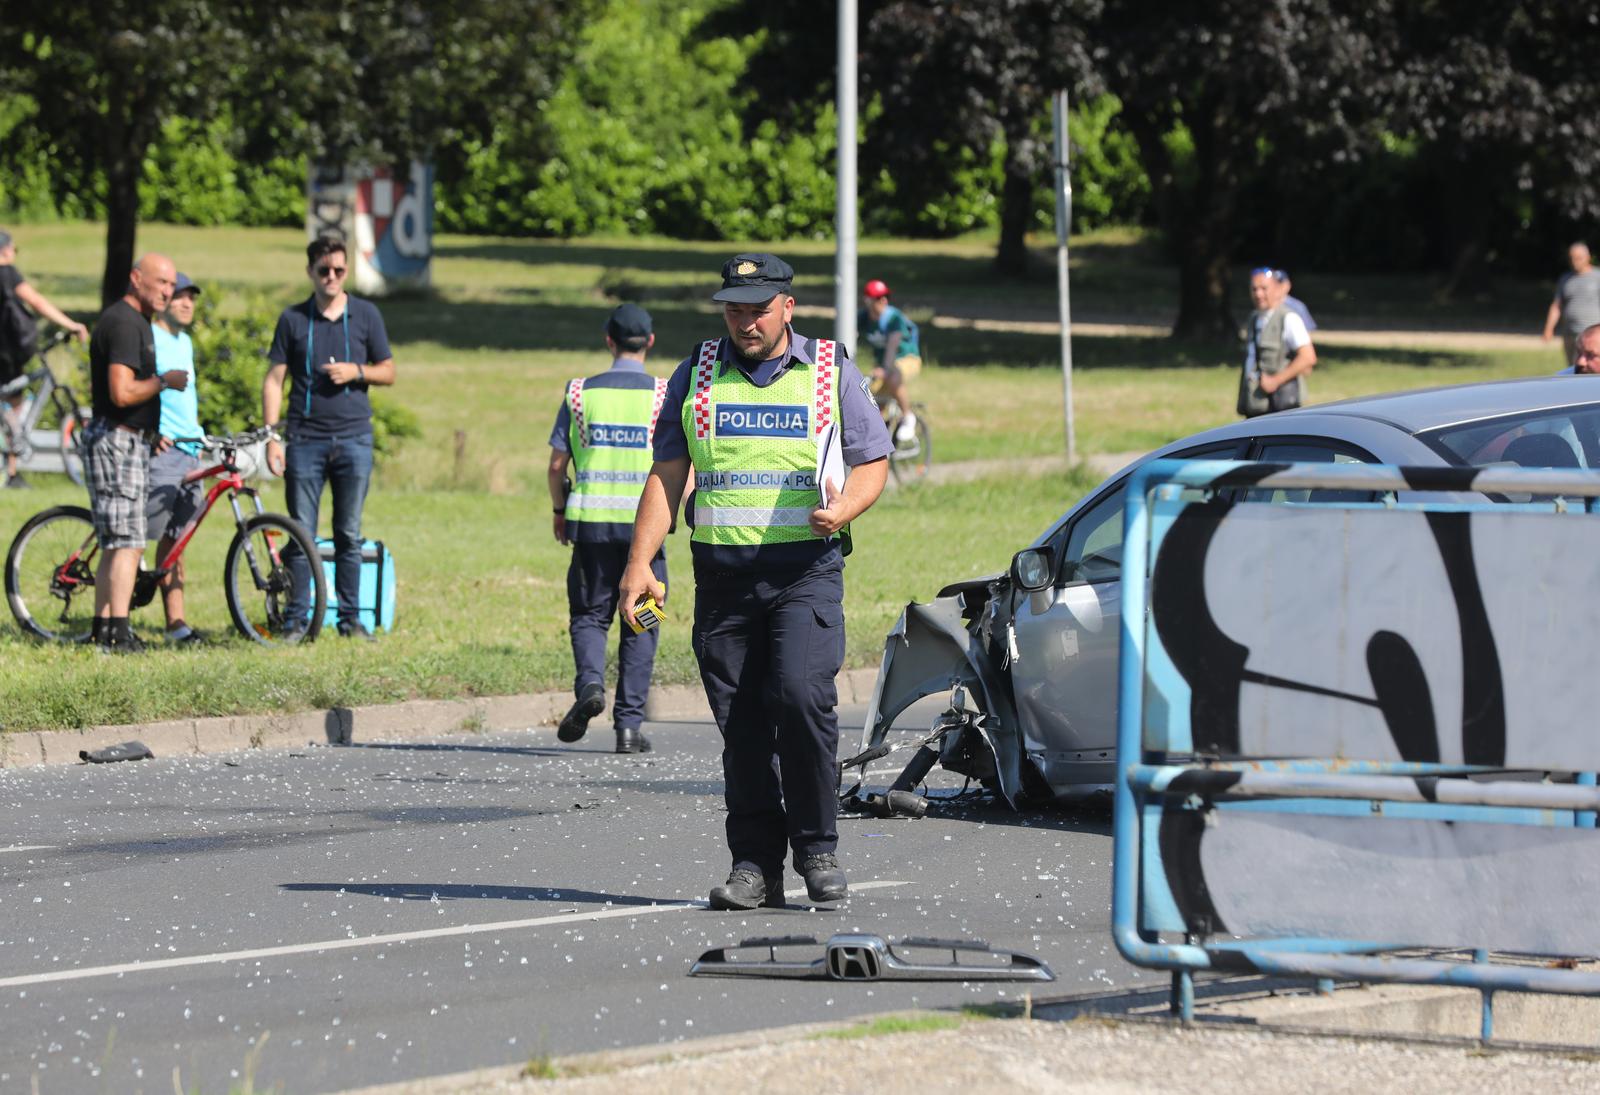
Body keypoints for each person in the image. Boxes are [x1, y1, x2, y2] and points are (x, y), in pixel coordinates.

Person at [619, 253, 893, 910]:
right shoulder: (698, 372)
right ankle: (754, 864)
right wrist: (639, 563)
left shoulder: (830, 369)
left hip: (805, 572)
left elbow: (873, 460)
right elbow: (668, 473)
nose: (745, 321)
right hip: (723, 579)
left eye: (758, 308)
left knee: (801, 699)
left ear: (787, 307)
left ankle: (818, 848)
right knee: (741, 726)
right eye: (734, 308)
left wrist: (843, 508)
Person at [547, 303, 669, 754]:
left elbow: (557, 463)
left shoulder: (580, 393)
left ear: (608, 339)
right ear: (650, 342)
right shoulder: (662, 393)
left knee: (589, 614)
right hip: (646, 531)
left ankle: (591, 687)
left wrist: (560, 509)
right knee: (644, 620)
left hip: (591, 527)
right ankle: (629, 727)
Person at [262, 234, 396, 640]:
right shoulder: (293, 319)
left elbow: (388, 371)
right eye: (324, 271)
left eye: (339, 270)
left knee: (348, 533)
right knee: (301, 532)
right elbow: (274, 380)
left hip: (354, 439)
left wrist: (358, 371)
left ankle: (351, 621)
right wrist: (272, 437)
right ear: (310, 273)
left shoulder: (367, 315)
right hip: (305, 440)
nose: (332, 277)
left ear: (346, 271)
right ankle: (296, 621)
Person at [82, 253, 184, 653]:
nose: (167, 291)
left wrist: (151, 430)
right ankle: (119, 634)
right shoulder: (124, 323)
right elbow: (121, 392)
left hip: (129, 437)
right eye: (161, 282)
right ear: (136, 278)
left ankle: (104, 628)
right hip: (117, 441)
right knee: (128, 541)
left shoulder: (134, 322)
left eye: (172, 285)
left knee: (118, 541)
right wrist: (163, 382)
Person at [0, 228, 90, 487]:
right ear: (6, 250)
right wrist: (70, 324)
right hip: (8, 352)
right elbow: (36, 302)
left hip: (5, 357)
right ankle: (13, 467)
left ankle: (13, 472)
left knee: (13, 400)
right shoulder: (7, 273)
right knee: (15, 402)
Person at [145, 272, 207, 644]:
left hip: (190, 449)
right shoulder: (148, 338)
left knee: (177, 539)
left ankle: (175, 623)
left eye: (191, 298)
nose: (186, 303)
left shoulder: (184, 342)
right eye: (179, 296)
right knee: (140, 536)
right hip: (163, 452)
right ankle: (116, 612)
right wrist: (151, 432)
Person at [1238, 266, 1317, 418]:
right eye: (1254, 289)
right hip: (1256, 405)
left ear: (1277, 289)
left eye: (1264, 288)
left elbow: (1308, 357)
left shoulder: (1289, 318)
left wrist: (1276, 380)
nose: (1258, 294)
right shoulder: (1254, 318)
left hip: (1280, 407)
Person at [858, 279, 921, 442]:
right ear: (867, 300)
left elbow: (892, 346)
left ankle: (908, 417)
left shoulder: (893, 318)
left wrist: (885, 369)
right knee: (870, 401)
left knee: (893, 377)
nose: (883, 300)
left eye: (885, 296)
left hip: (907, 359)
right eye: (878, 297)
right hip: (882, 365)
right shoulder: (863, 318)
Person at [1542, 243, 1600, 367]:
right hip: (1570, 333)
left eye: (1578, 258)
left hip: (1593, 336)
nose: (1574, 262)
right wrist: (1549, 328)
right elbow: (1557, 305)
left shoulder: (1597, 277)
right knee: (1573, 368)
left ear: (1588, 257)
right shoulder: (1565, 279)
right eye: (1571, 258)